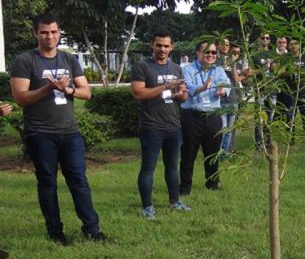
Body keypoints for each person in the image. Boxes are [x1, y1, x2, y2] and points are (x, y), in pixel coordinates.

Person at [9, 13, 106, 244]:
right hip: (40, 133)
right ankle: (55, 232)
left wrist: (68, 90)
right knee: (47, 182)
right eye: (44, 32)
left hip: (69, 132)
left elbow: (87, 92)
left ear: (59, 32)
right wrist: (47, 88)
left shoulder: (69, 60)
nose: (49, 36)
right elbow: (21, 98)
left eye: (53, 32)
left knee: (79, 180)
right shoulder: (25, 60)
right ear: (36, 34)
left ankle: (92, 229)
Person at [130, 29, 191, 220]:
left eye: (166, 46)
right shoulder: (142, 67)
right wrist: (166, 87)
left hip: (173, 126)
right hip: (152, 127)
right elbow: (138, 94)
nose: (162, 49)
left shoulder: (176, 68)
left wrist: (181, 95)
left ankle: (175, 201)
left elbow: (184, 94)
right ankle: (147, 207)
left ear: (171, 47)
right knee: (148, 168)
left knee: (172, 166)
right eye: (159, 45)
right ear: (152, 45)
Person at [179, 42, 231, 195]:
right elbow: (188, 87)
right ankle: (185, 186)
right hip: (192, 116)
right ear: (198, 53)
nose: (210, 55)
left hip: (212, 115)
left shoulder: (219, 70)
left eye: (214, 53)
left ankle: (212, 183)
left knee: (213, 152)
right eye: (207, 52)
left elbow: (227, 86)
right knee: (188, 153)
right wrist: (203, 87)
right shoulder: (188, 69)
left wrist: (223, 91)